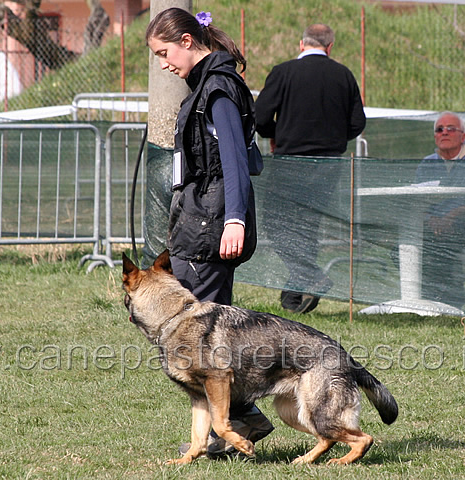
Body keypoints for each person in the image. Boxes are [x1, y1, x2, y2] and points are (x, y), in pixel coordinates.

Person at [145, 8, 273, 457]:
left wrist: (234, 218)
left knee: (199, 336)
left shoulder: (217, 86)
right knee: (201, 334)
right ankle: (236, 421)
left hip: (213, 222)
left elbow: (236, 160)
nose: (163, 63)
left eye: (165, 52)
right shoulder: (203, 84)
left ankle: (241, 422)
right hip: (198, 218)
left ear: (186, 40)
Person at [255, 23, 366, 313]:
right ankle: (296, 294)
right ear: (330, 47)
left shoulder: (283, 72)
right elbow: (357, 123)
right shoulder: (344, 75)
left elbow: (261, 116)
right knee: (308, 227)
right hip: (329, 165)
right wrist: (332, 140)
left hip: (290, 162)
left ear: (301, 44)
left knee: (277, 224)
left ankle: (310, 277)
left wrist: (276, 135)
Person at [415, 111, 465, 308]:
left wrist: (451, 216)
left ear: (463, 136)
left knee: (440, 245)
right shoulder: (427, 163)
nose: (444, 133)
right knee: (402, 248)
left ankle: (449, 299)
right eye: (439, 130)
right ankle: (431, 299)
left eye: (450, 129)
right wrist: (432, 219)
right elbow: (416, 201)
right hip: (433, 227)